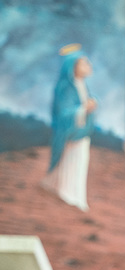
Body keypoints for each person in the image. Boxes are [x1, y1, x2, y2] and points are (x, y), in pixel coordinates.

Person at [42, 44, 96, 212]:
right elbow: (63, 113)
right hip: (69, 136)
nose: (88, 66)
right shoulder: (65, 87)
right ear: (73, 66)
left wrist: (89, 108)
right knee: (68, 164)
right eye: (83, 63)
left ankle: (75, 196)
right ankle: (67, 194)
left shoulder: (82, 85)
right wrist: (82, 109)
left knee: (79, 165)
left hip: (81, 134)